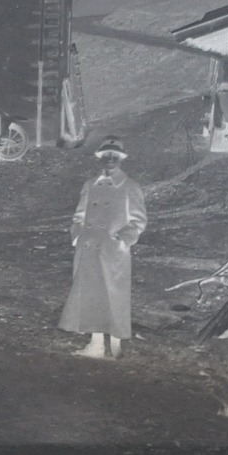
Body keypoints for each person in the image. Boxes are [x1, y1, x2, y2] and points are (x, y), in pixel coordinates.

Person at [58, 136, 147, 358]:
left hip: (112, 251)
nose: (110, 160)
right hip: (89, 249)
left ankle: (116, 346)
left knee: (114, 296)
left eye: (114, 156)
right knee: (90, 296)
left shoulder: (129, 187)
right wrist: (78, 236)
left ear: (120, 159)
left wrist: (123, 239)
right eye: (106, 155)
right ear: (100, 158)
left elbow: (138, 220)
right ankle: (96, 344)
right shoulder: (90, 185)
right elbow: (79, 215)